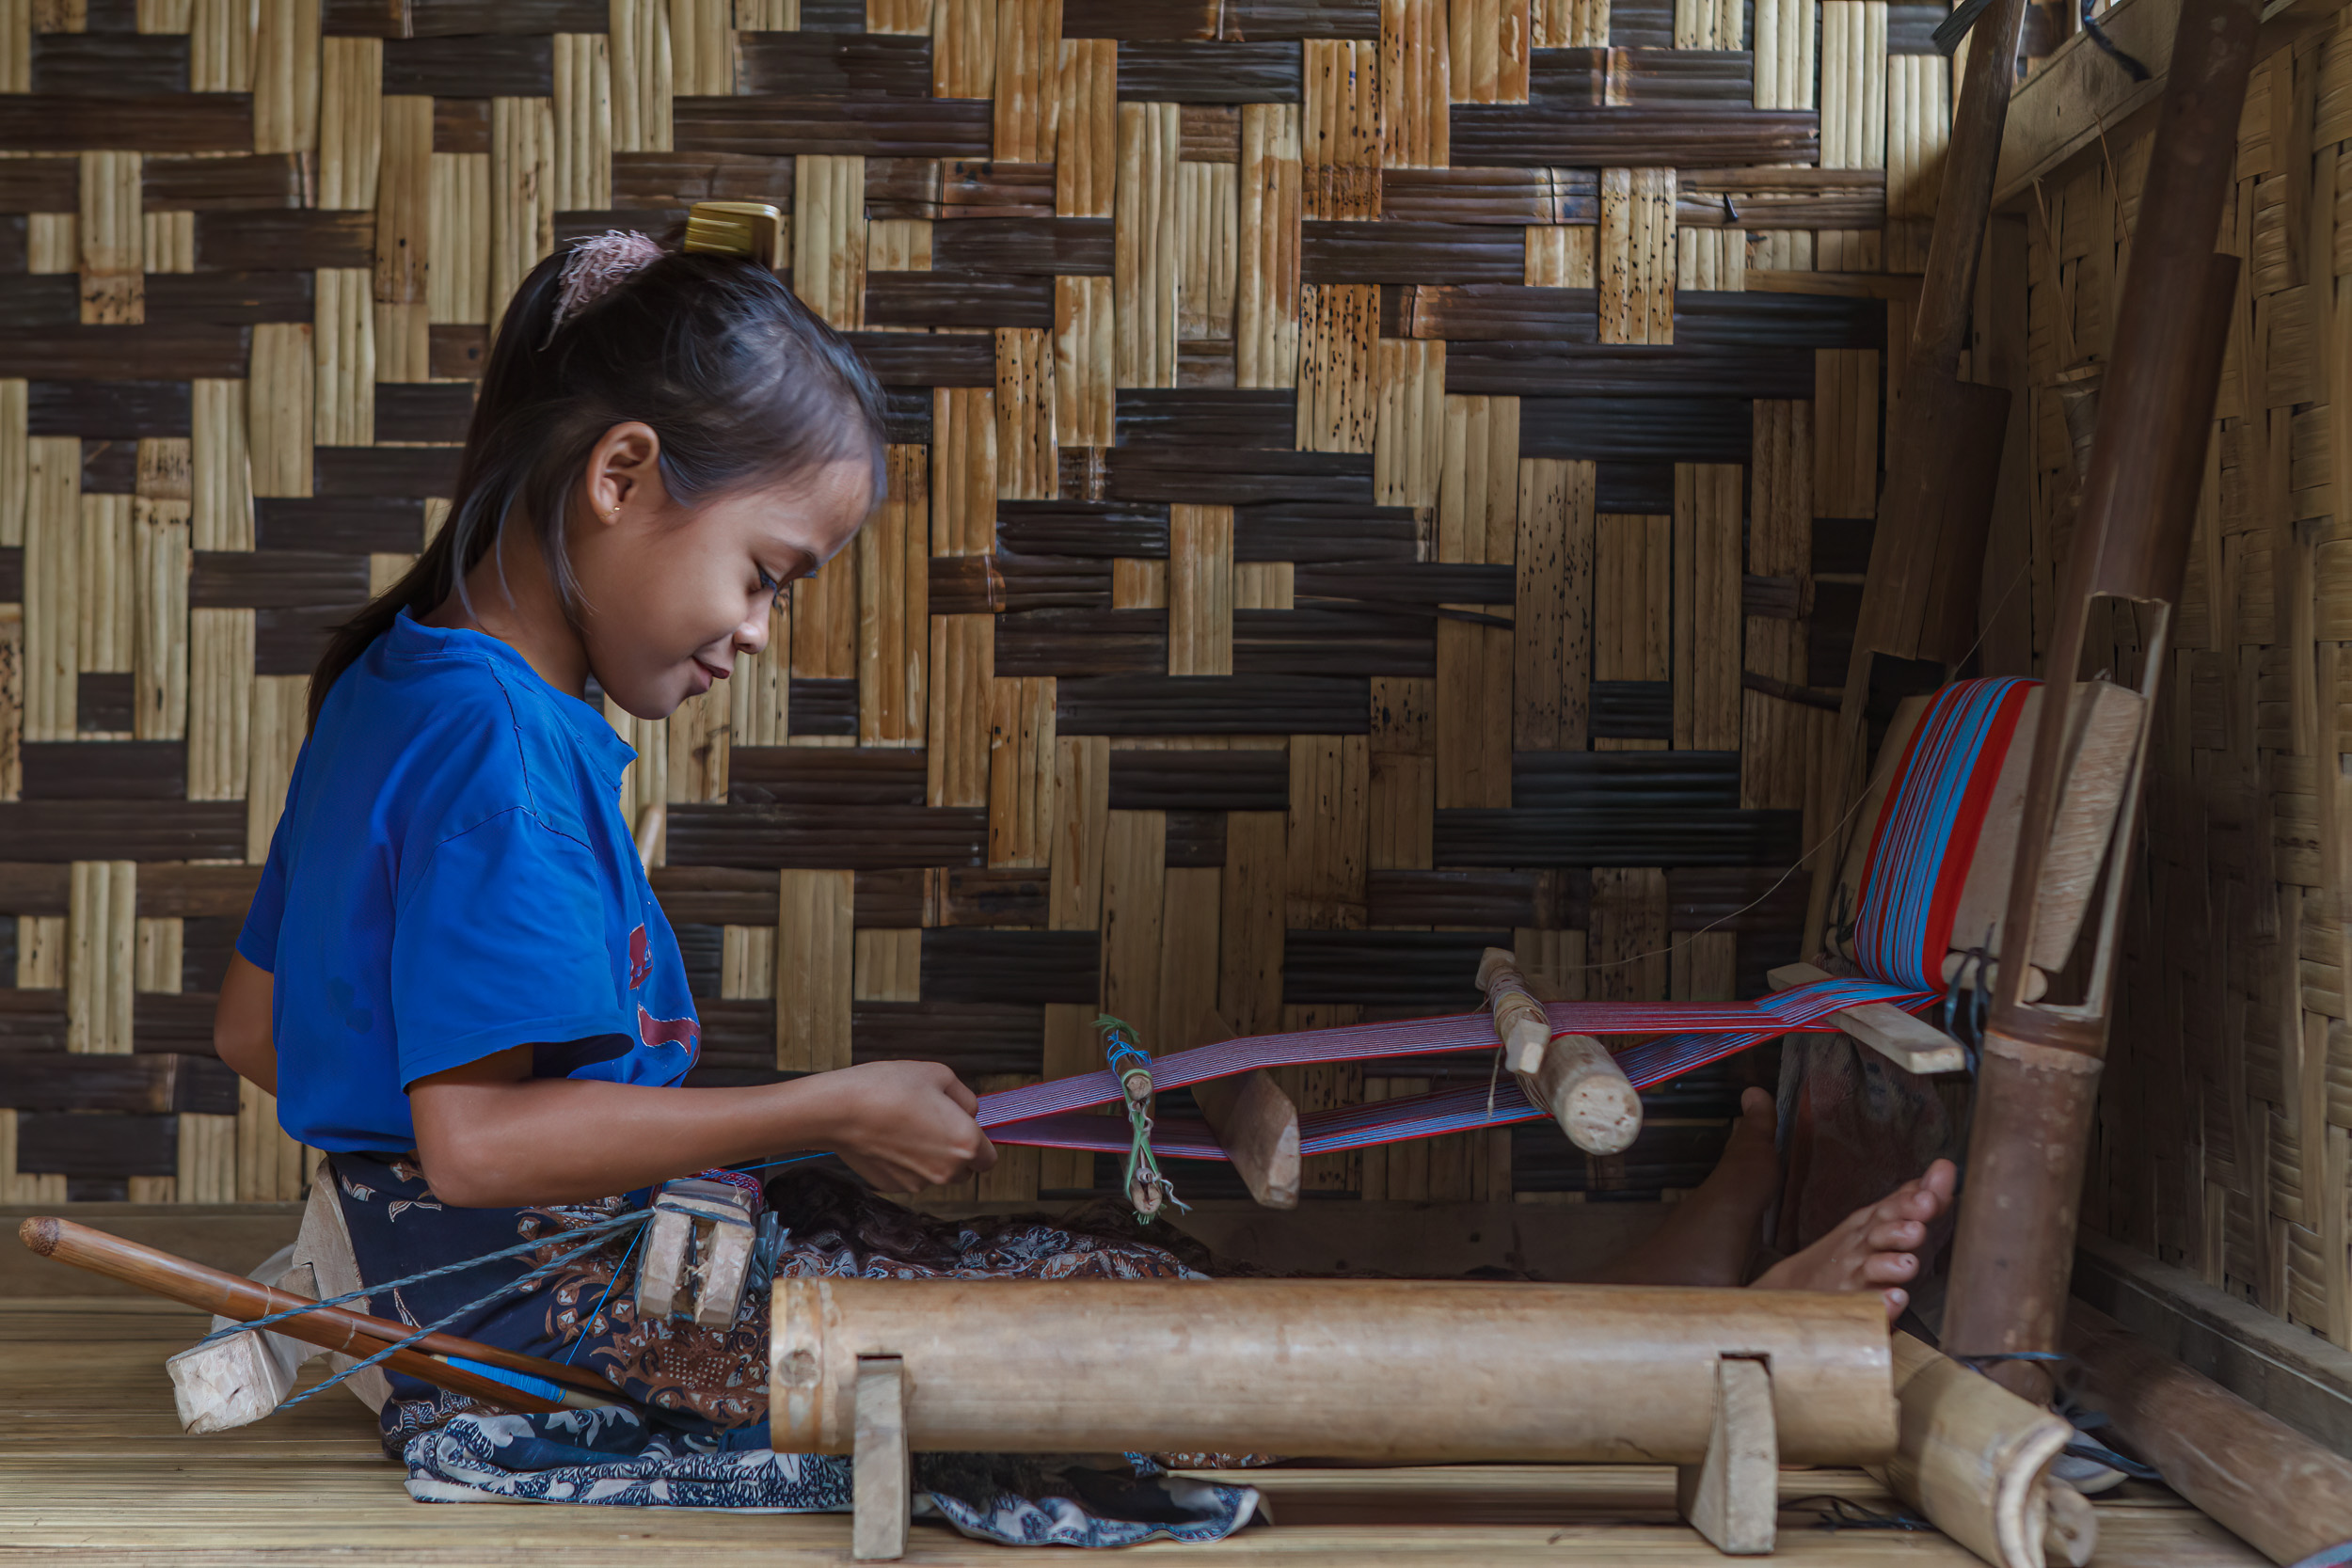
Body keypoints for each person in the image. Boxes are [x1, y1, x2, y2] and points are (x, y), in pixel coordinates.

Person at [212, 217, 1951, 1464]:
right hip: (524, 1319)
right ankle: (1712, 1351)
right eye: (765, 574)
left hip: (415, 1289)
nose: (757, 633)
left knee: (1063, 1269)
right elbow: (480, 1147)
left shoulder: (396, 675)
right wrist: (826, 1102)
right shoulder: (507, 746)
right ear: (620, 477)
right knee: (1136, 1339)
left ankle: (1663, 1317)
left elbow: (261, 1035)